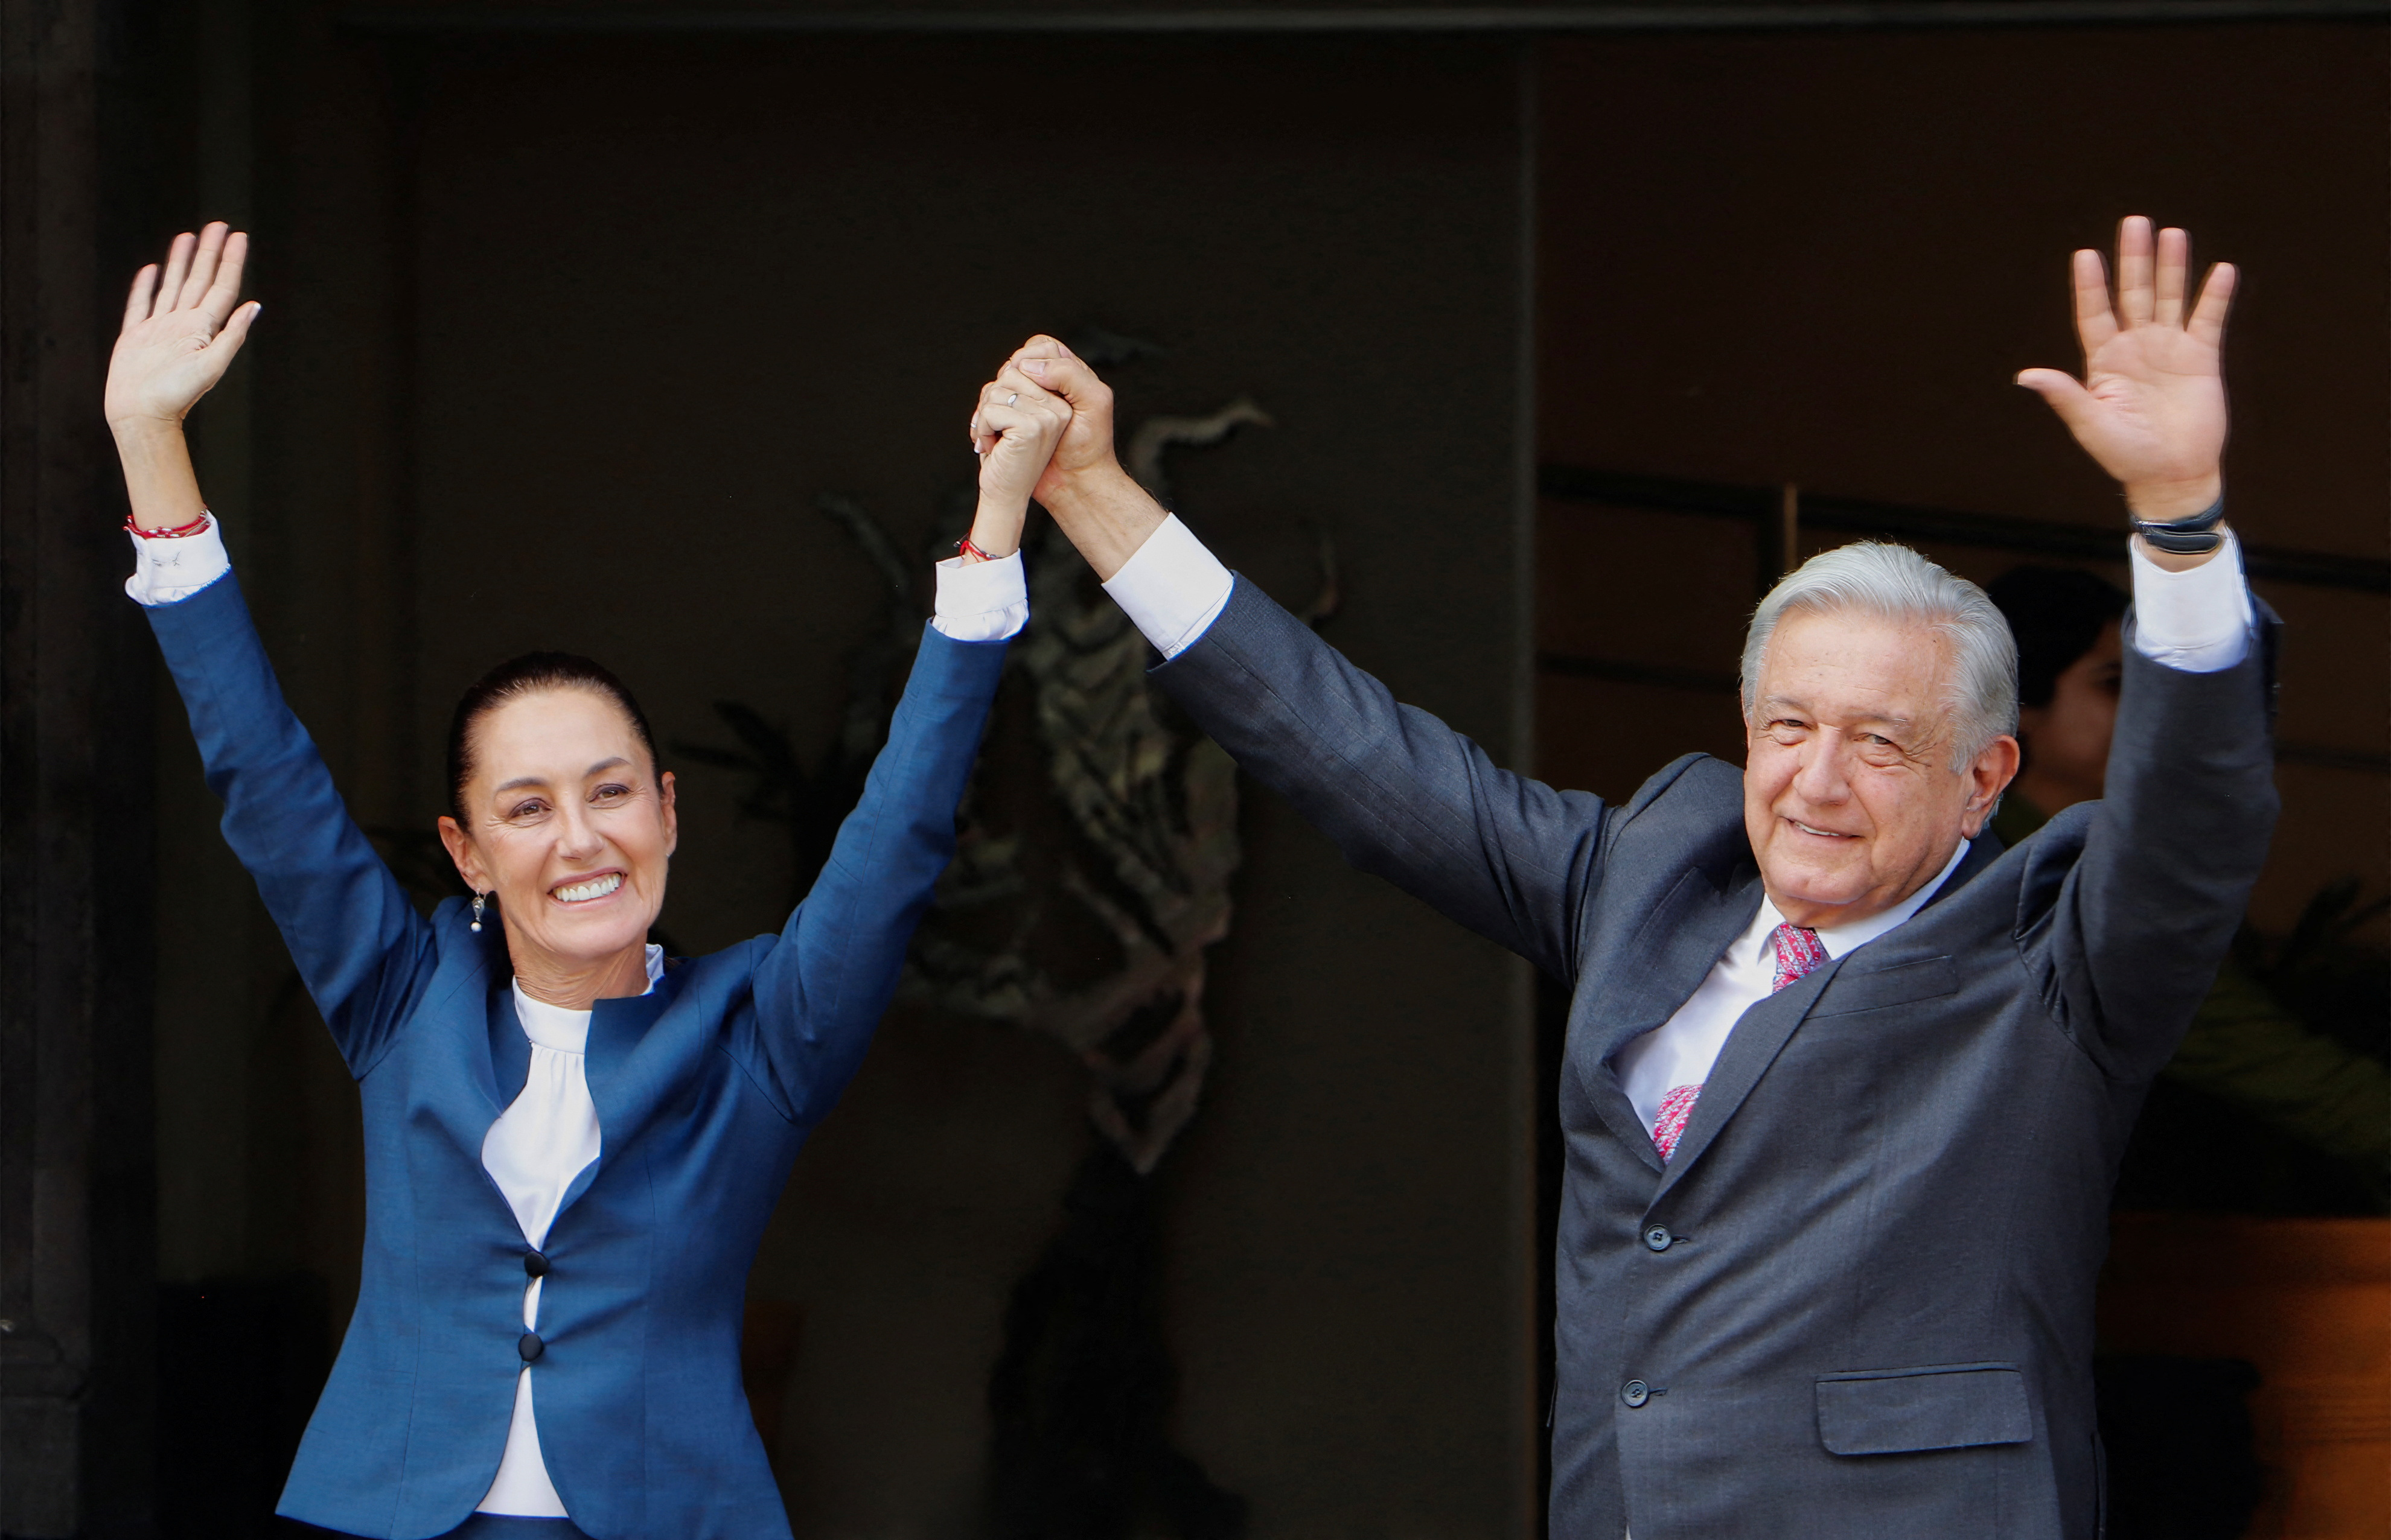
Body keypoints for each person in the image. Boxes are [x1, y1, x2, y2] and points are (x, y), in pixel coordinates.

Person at [975, 217, 2276, 1538]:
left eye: (1879, 743)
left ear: (1986, 778)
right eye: (1787, 726)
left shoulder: (2053, 965)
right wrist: (1090, 492)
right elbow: (1358, 755)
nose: (1815, 780)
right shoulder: (1653, 874)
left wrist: (2179, 521)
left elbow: (2191, 832)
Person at [107, 223, 1065, 1538]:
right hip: (385, 1515)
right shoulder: (403, 995)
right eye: (528, 807)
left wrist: (997, 521)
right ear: (468, 854)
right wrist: (151, 447)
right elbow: (262, 777)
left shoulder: (760, 1033)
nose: (580, 838)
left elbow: (896, 835)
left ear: (667, 813)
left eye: (612, 791)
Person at [1988, 565, 2388, 1186]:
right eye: (2117, 683)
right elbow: (2275, 1067)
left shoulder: (1996, 845)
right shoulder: (2045, 877)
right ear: (2016, 703)